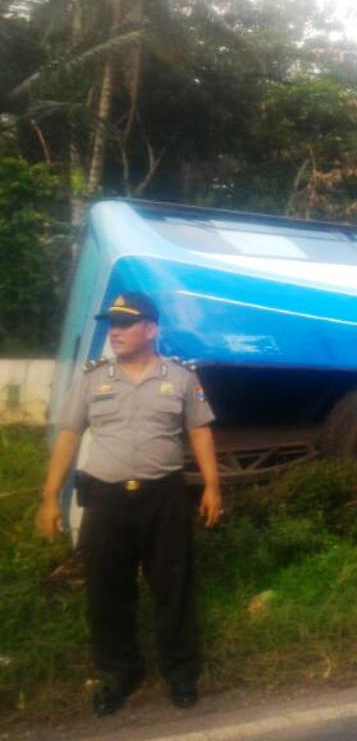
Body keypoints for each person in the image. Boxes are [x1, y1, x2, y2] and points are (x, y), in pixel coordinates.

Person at [35, 292, 222, 717]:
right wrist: (48, 497)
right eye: (112, 324)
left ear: (151, 330)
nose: (115, 331)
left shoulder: (179, 378)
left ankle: (180, 673)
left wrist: (213, 486)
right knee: (107, 591)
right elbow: (68, 435)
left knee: (173, 587)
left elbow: (199, 432)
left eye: (125, 323)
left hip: (164, 496)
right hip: (105, 498)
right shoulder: (92, 380)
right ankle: (120, 674)